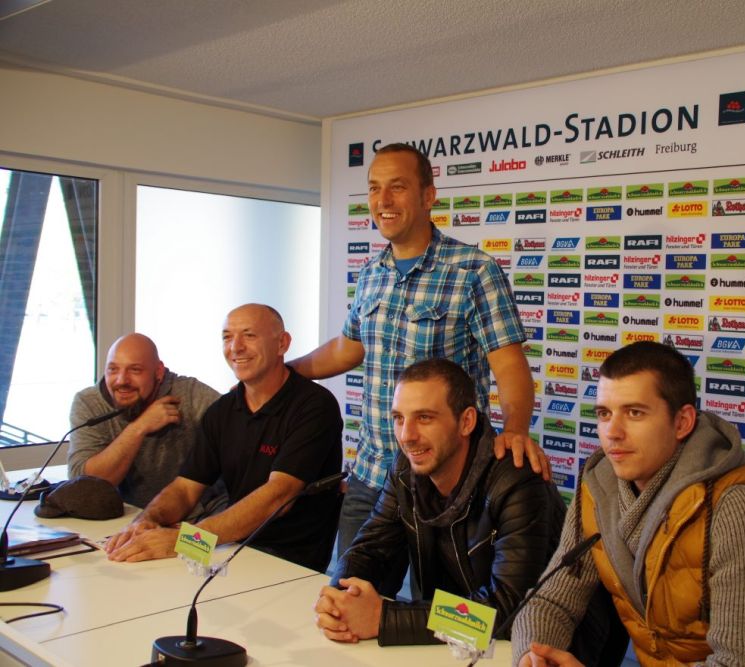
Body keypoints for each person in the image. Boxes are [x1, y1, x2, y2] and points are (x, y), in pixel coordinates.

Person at [290, 143, 548, 564]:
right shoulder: (371, 273)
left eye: (397, 187)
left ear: (429, 195)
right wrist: (286, 372)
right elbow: (348, 348)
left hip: (443, 486)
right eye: (374, 189)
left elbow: (509, 367)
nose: (382, 201)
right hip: (372, 477)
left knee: (429, 616)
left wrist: (515, 428)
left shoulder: (474, 271)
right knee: (345, 600)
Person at [512, 341, 745, 667]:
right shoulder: (599, 487)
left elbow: (738, 662)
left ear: (682, 422)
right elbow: (551, 601)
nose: (612, 432)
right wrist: (532, 656)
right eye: (604, 413)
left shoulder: (737, 507)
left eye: (635, 413)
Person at [314, 358, 565, 645]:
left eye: (424, 418)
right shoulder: (406, 469)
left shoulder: (516, 481)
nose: (407, 436)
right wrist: (340, 599)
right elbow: (368, 549)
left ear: (466, 421)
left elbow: (508, 614)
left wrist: (385, 618)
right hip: (450, 642)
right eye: (399, 418)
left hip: (532, 649)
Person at [104, 304, 343, 572]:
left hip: (287, 562)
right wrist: (146, 521)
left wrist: (186, 542)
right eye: (227, 337)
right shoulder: (222, 410)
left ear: (282, 344)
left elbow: (278, 496)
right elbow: (185, 488)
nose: (235, 347)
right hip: (229, 549)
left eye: (249, 335)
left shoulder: (314, 406)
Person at [68, 333, 221, 512]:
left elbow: (239, 428)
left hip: (198, 523)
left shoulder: (189, 394)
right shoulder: (89, 403)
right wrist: (139, 427)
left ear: (158, 371)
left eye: (135, 370)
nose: (122, 380)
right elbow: (83, 487)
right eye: (113, 369)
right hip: (130, 521)